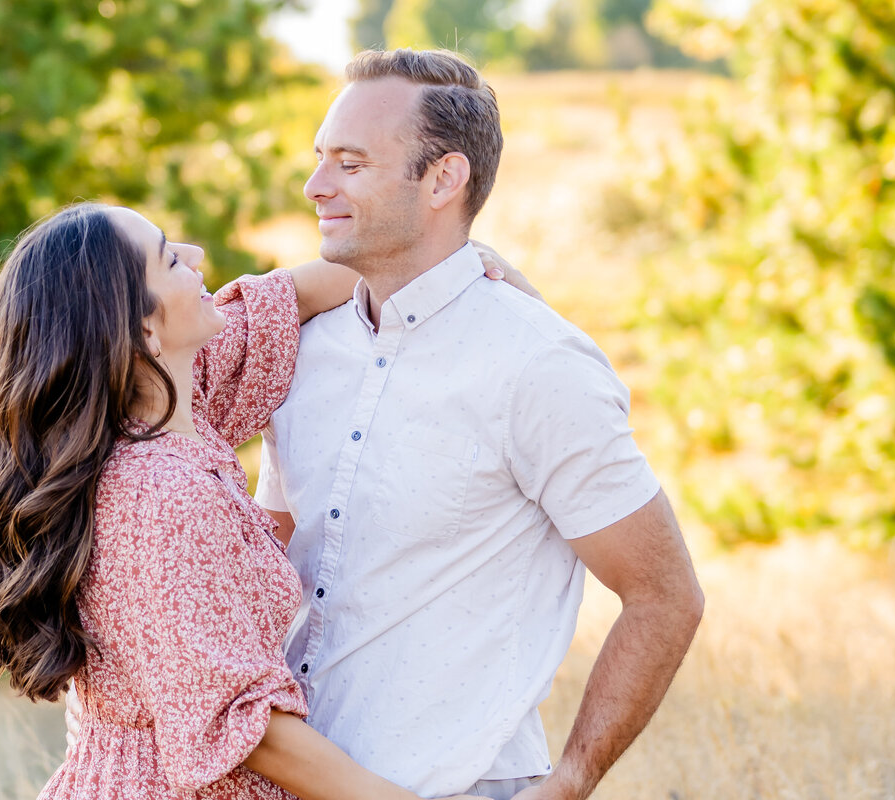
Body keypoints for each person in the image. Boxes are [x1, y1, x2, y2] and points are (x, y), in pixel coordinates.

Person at [255, 49, 705, 800]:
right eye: (319, 159)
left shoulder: (538, 363)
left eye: (351, 163)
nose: (315, 185)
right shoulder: (300, 351)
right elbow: (265, 560)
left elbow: (666, 595)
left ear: (443, 179)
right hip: (290, 783)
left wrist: (570, 782)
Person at [0, 202, 507, 800]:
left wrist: (445, 268)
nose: (197, 258)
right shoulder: (162, 494)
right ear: (144, 330)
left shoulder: (150, 411)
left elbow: (286, 300)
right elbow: (253, 732)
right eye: (170, 257)